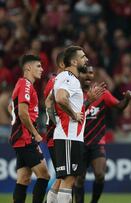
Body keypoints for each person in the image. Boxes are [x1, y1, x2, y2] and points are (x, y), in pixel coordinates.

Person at [74, 66, 131, 203]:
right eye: (85, 73)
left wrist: (127, 99)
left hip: (97, 142)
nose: (89, 75)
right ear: (79, 75)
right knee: (79, 178)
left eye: (91, 72)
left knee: (100, 175)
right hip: (78, 141)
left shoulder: (102, 93)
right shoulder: (74, 94)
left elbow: (119, 106)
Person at [9, 54, 50, 203]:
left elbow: (11, 107)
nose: (42, 69)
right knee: (44, 176)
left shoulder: (21, 85)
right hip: (25, 138)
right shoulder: (25, 84)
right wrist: (35, 133)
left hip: (20, 138)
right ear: (28, 67)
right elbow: (22, 112)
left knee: (24, 179)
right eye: (38, 66)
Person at [53, 46, 88, 203]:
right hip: (69, 136)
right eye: (83, 57)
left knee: (65, 180)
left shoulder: (64, 77)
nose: (86, 59)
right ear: (74, 61)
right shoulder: (69, 78)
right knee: (68, 180)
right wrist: (74, 114)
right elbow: (61, 98)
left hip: (70, 136)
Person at [44, 51, 66, 203]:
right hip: (56, 136)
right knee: (63, 176)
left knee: (64, 176)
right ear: (63, 64)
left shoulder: (61, 81)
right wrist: (57, 122)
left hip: (60, 135)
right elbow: (48, 103)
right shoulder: (55, 81)